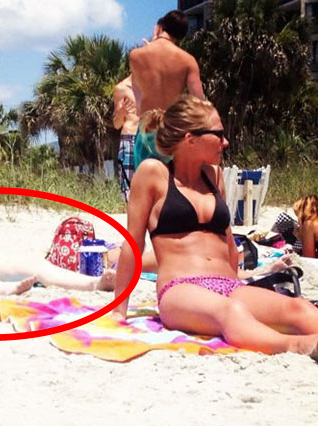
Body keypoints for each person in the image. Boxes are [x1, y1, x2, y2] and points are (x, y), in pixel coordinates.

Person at [113, 95, 318, 358]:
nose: (225, 142)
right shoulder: (153, 174)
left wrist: (244, 276)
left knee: (298, 308)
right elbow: (133, 243)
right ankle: (299, 346)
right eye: (218, 135)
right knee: (231, 312)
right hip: (180, 289)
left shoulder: (215, 176)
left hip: (228, 286)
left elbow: (227, 239)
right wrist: (119, 310)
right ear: (191, 139)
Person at [129, 9, 204, 169]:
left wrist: (154, 40)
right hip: (173, 128)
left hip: (147, 127)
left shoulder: (136, 56)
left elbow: (137, 96)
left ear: (160, 26)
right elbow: (199, 101)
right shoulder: (188, 61)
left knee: (145, 179)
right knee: (173, 181)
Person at [113, 75, 139, 202]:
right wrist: (122, 112)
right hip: (131, 138)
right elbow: (116, 124)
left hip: (150, 139)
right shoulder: (121, 88)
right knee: (130, 190)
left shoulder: (153, 85)